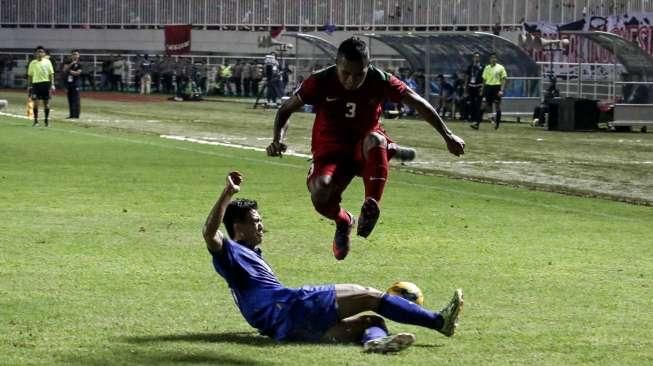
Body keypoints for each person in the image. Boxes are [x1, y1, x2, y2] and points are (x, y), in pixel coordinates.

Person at [203, 171, 464, 352]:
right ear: (238, 227)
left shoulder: (248, 255)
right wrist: (228, 193)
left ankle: (375, 344)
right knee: (369, 295)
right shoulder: (230, 252)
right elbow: (209, 233)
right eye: (256, 221)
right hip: (292, 306)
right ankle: (439, 321)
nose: (262, 226)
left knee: (371, 323)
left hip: (286, 329)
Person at [266, 37, 465, 260]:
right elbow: (285, 109)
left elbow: (417, 102)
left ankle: (371, 204)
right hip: (330, 151)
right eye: (346, 73)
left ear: (368, 66)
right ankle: (344, 221)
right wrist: (278, 138)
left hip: (363, 148)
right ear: (337, 64)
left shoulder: (380, 79)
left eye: (358, 74)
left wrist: (447, 135)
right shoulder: (320, 81)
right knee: (320, 191)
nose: (351, 80)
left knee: (375, 140)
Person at [471, 52, 507, 130]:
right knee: (483, 105)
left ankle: (497, 123)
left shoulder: (501, 67)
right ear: (489, 59)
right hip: (488, 88)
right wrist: (482, 90)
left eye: (494, 58)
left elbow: (504, 79)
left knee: (497, 106)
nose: (493, 59)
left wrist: (501, 90)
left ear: (496, 59)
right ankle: (477, 123)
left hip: (496, 87)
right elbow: (484, 79)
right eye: (492, 58)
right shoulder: (487, 68)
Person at [27, 46, 55, 127]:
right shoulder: (32, 63)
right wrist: (29, 86)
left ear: (44, 53)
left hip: (46, 84)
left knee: (46, 104)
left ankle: (46, 121)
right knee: (36, 104)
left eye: (41, 52)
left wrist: (52, 84)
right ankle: (36, 121)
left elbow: (51, 74)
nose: (40, 53)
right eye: (38, 52)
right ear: (35, 53)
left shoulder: (48, 62)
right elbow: (30, 75)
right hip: (36, 85)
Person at [465, 52, 484, 125]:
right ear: (473, 58)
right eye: (475, 57)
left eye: (477, 57)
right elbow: (467, 77)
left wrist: (482, 87)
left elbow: (484, 78)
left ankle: (477, 118)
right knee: (471, 102)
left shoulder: (482, 67)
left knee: (478, 103)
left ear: (479, 58)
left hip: (478, 86)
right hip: (471, 86)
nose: (476, 58)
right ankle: (471, 117)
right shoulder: (470, 67)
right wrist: (465, 87)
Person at [63, 50, 82, 119]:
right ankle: (71, 114)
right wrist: (71, 64)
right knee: (70, 99)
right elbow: (64, 70)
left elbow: (77, 73)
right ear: (71, 56)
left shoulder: (79, 64)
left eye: (76, 54)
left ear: (78, 55)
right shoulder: (67, 62)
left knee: (76, 99)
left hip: (76, 83)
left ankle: (76, 115)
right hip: (69, 83)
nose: (75, 56)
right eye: (73, 54)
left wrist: (70, 71)